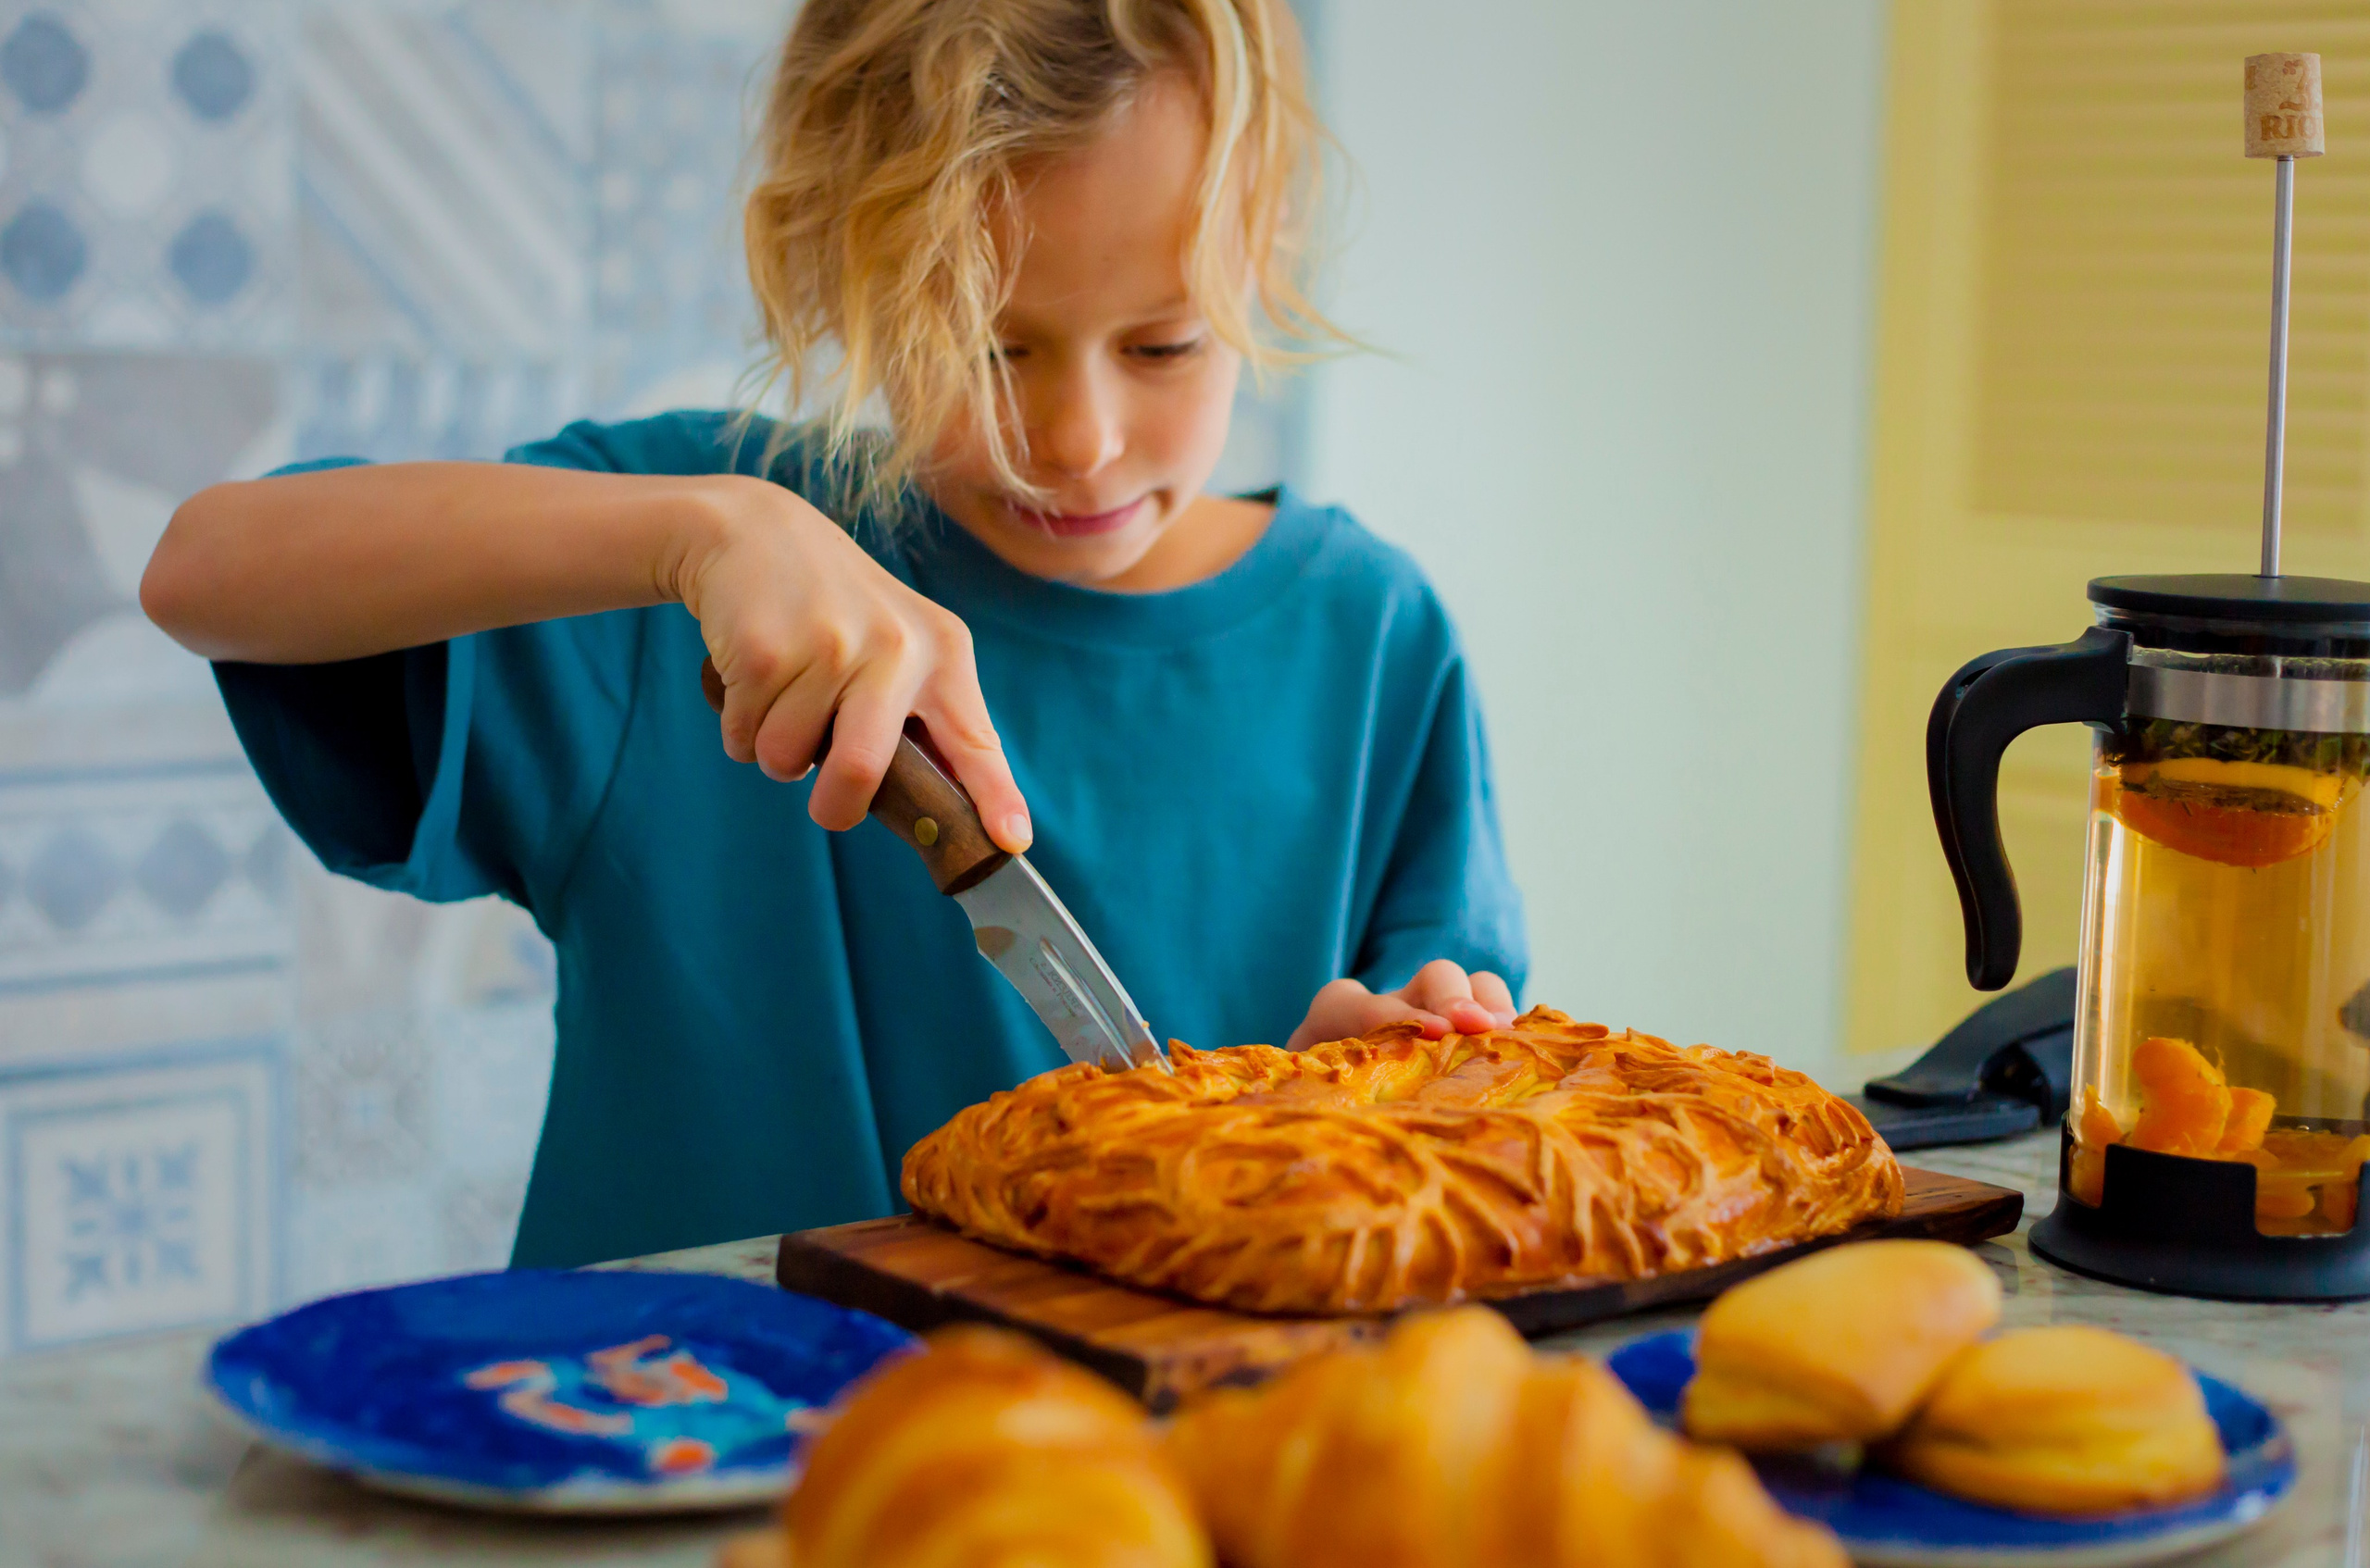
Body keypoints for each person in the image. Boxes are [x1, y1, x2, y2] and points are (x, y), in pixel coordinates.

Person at [142, 0, 1525, 1268]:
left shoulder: (1375, 644)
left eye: (1163, 346)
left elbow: (1467, 1145)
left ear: (1263, 254)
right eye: (987, 343)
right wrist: (697, 536)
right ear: (847, 263)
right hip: (663, 1480)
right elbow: (202, 569)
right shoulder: (695, 569)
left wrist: (1375, 1114)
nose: (1079, 441)